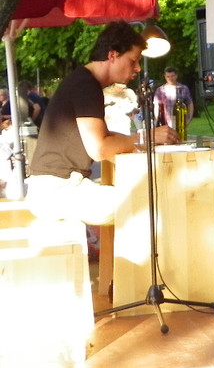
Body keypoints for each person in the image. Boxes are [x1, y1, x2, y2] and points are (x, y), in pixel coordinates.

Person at [27, 21, 180, 225]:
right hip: (57, 191)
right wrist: (147, 137)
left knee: (147, 197)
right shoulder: (86, 85)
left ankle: (116, 247)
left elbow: (106, 137)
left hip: (54, 188)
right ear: (113, 55)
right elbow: (99, 149)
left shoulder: (83, 81)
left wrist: (143, 140)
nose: (137, 68)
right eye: (133, 60)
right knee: (152, 200)